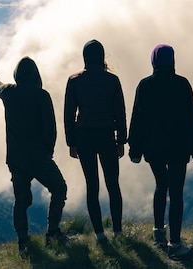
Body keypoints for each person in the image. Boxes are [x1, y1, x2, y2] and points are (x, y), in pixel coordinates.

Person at [0, 57, 68, 258]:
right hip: (38, 156)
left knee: (21, 199)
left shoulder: (9, 92)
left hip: (15, 158)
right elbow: (51, 130)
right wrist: (48, 152)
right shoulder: (41, 95)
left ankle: (23, 241)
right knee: (59, 188)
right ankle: (53, 233)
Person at [128, 44, 193, 260]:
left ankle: (158, 233)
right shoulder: (182, 84)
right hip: (179, 147)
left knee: (161, 184)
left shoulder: (145, 85)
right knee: (176, 192)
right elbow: (192, 117)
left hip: (153, 148)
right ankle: (176, 243)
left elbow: (138, 118)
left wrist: (135, 149)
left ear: (153, 60)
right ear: (172, 60)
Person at [64, 40, 126, 241]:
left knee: (92, 185)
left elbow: (69, 115)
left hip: (84, 137)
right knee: (113, 185)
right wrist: (121, 141)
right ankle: (117, 231)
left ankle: (100, 234)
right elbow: (120, 112)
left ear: (85, 57)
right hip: (107, 135)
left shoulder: (74, 81)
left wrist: (71, 142)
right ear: (102, 56)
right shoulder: (112, 80)